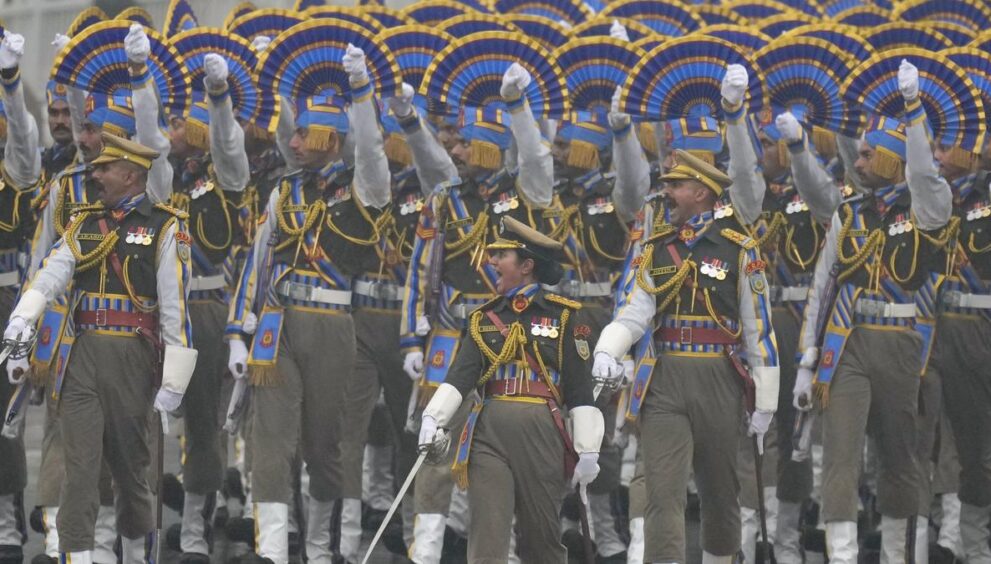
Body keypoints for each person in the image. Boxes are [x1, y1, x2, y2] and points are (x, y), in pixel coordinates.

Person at [225, 44, 390, 564]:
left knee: (326, 443)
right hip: (278, 324)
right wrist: (238, 327)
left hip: (334, 324)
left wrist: (361, 90)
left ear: (329, 139)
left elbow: (372, 152)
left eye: (303, 133)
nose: (292, 142)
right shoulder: (285, 191)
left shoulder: (363, 190)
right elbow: (258, 258)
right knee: (271, 440)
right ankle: (272, 551)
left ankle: (320, 550)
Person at [4, 132, 196, 564]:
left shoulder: (166, 225)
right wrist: (22, 319)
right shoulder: (85, 223)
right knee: (80, 470)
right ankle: (78, 558)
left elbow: (175, 306)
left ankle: (133, 555)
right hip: (82, 355)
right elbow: (51, 273)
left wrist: (174, 381)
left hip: (133, 357)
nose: (95, 174)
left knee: (130, 474)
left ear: (130, 174)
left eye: (104, 168)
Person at [793, 61, 955, 564]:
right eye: (858, 153)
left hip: (902, 343)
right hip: (849, 342)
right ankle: (841, 557)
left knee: (899, 457)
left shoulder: (926, 208)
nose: (857, 162)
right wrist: (807, 359)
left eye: (867, 155)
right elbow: (822, 284)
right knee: (840, 455)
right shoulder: (851, 212)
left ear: (892, 160)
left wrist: (913, 110)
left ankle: (899, 555)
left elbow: (925, 175)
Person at [593, 148, 779, 564]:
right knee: (662, 491)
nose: (667, 194)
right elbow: (635, 308)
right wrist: (610, 347)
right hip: (665, 378)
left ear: (701, 191)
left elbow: (758, 328)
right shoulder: (656, 247)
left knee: (719, 491)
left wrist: (765, 401)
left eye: (675, 186)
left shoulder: (738, 248)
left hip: (718, 376)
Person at [417, 215, 604, 563]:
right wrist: (434, 418)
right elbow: (460, 377)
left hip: (542, 431)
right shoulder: (484, 317)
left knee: (541, 541)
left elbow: (580, 390)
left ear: (527, 265)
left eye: (500, 255)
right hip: (489, 434)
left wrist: (588, 448)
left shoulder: (566, 318)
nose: (491, 262)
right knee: (487, 536)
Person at [0, 29, 41, 564]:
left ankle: (9, 521)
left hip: (4, 297)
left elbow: (27, 146)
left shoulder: (14, 171)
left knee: (3, 418)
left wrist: (11, 83)